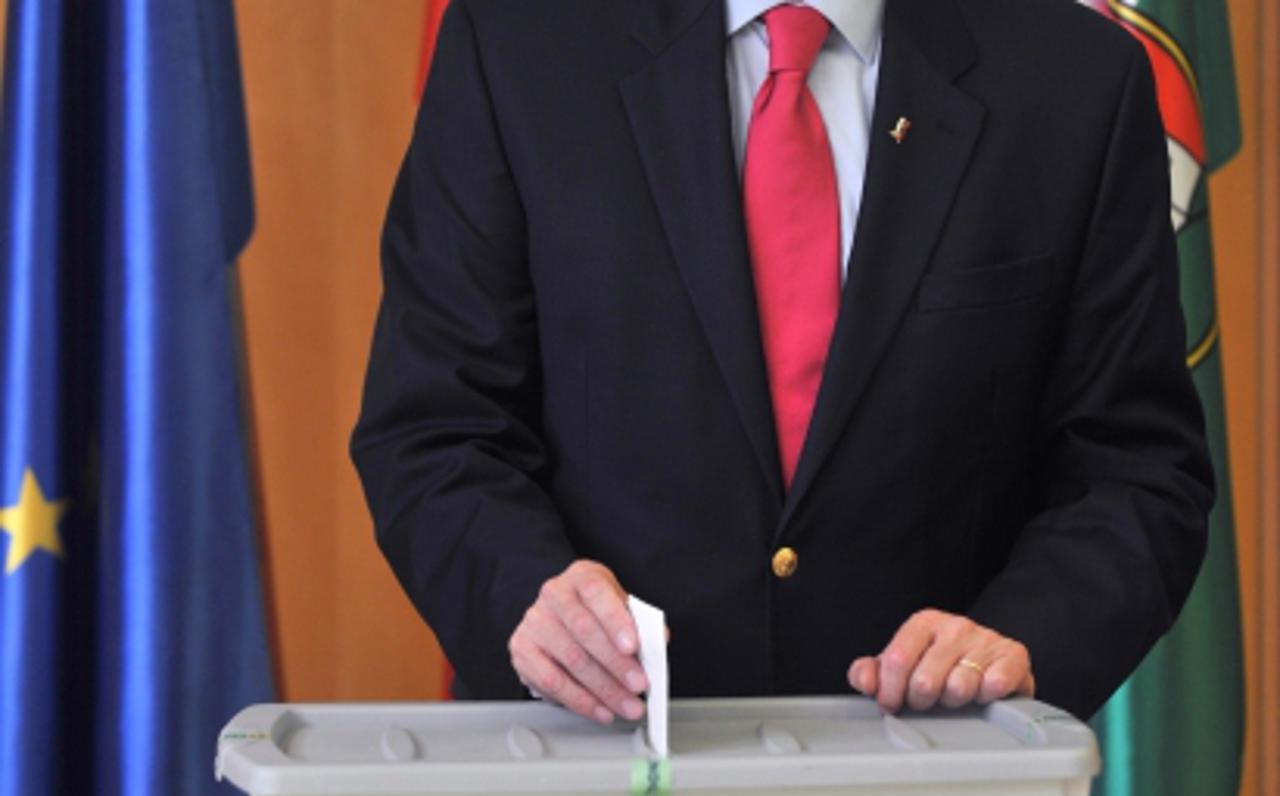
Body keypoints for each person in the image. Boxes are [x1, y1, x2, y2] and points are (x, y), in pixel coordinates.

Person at [351, 0, 1213, 725]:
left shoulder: (1077, 76)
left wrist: (1022, 639)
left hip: (934, 778)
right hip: (589, 763)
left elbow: (1134, 467)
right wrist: (524, 595)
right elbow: (434, 423)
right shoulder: (519, 41)